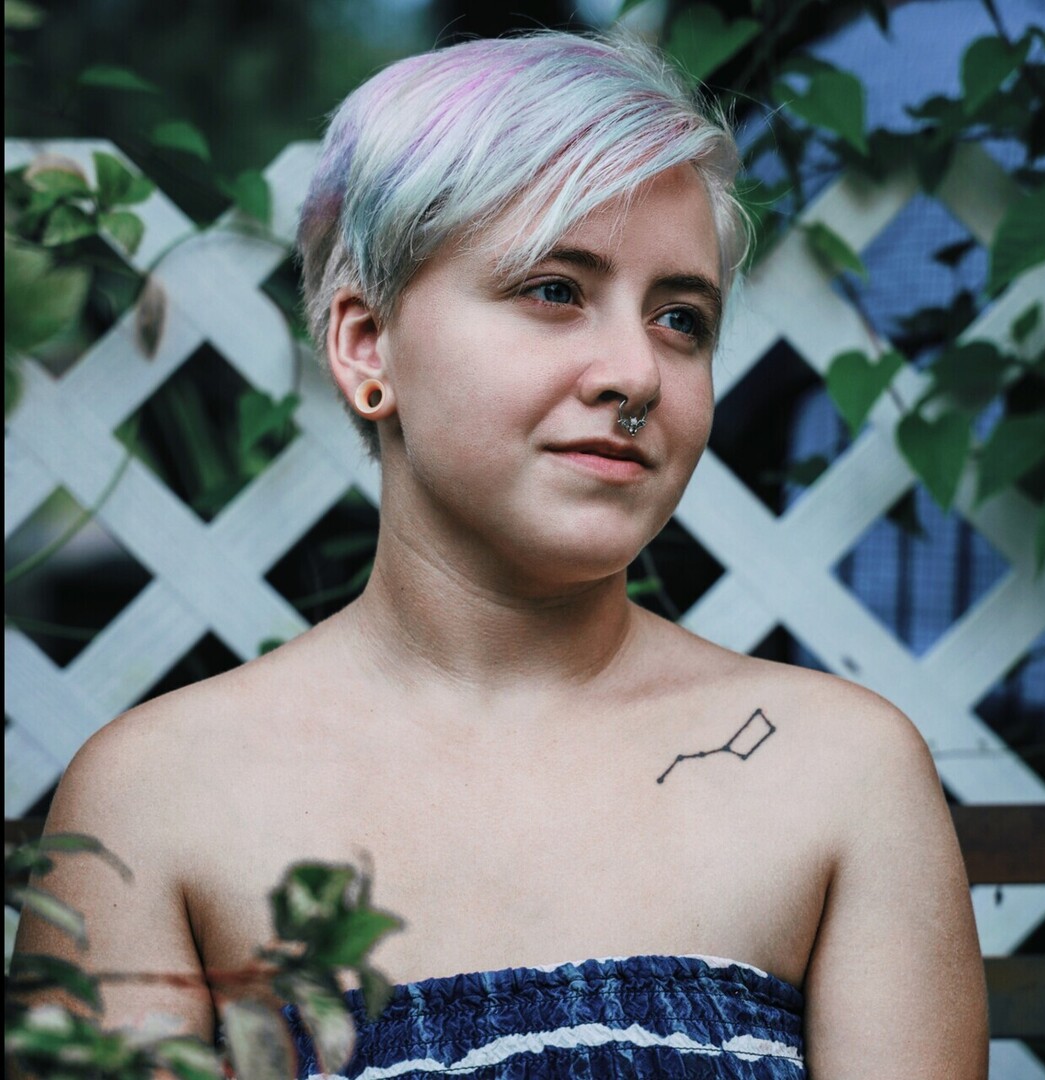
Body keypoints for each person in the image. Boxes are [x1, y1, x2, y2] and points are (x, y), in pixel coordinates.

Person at [13, 29, 988, 1079]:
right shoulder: (159, 798)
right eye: (555, 290)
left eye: (681, 319)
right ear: (366, 344)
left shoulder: (839, 774)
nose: (637, 375)